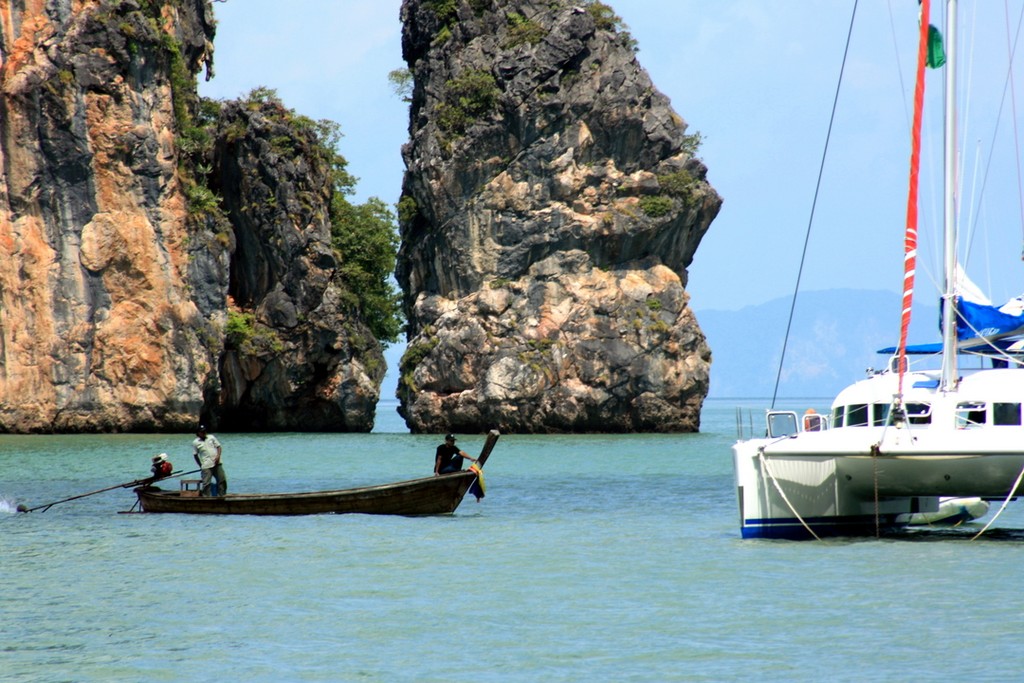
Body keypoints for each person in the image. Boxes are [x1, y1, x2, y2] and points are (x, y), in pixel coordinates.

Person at [192, 425, 226, 496]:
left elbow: (219, 447)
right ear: (198, 433)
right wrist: (200, 465)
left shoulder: (211, 437)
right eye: (202, 432)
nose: (204, 433)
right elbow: (195, 455)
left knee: (222, 480)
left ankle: (222, 496)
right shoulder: (195, 442)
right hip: (206, 465)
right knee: (206, 483)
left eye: (204, 431)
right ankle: (206, 498)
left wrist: (218, 456)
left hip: (217, 463)